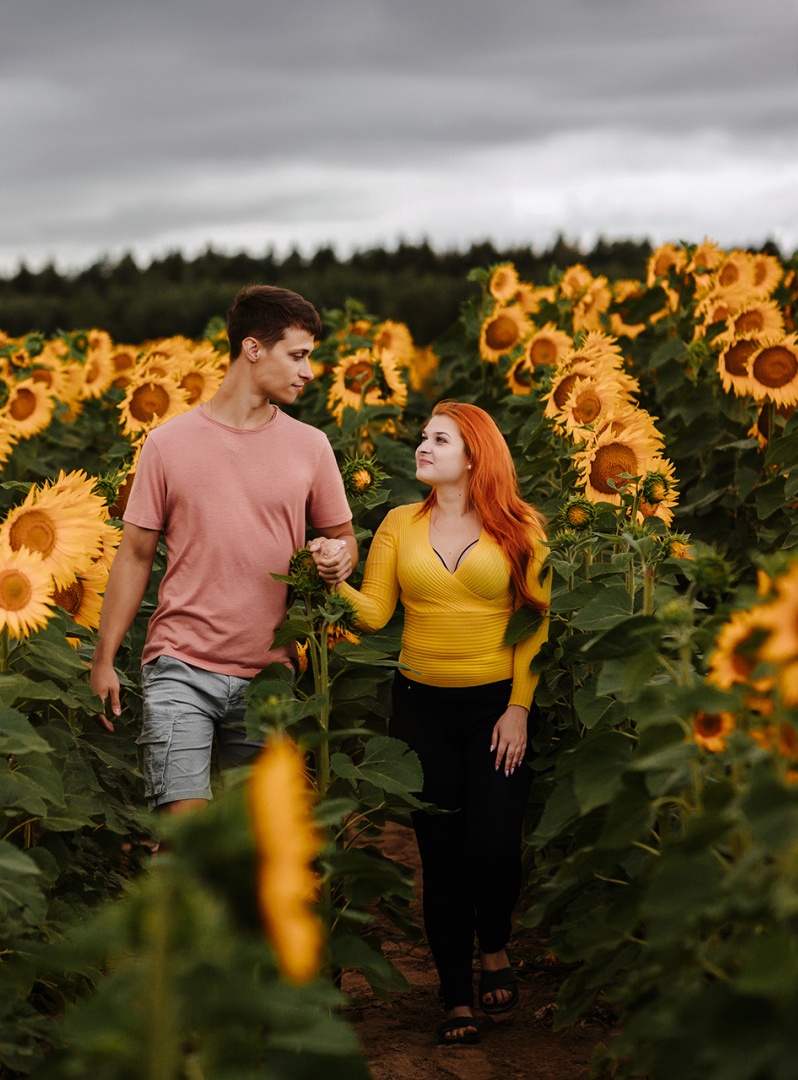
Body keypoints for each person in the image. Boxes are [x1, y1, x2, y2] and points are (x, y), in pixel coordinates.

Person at [321, 399, 549, 1045]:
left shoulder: (522, 526)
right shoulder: (399, 523)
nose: (423, 446)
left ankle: (496, 942)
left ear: (473, 454)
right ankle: (455, 994)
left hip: (495, 709)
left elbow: (536, 627)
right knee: (441, 855)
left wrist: (518, 709)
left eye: (439, 438)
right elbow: (372, 615)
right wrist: (331, 575)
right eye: (423, 437)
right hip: (421, 707)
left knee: (496, 846)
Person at [89, 284, 357, 814]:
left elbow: (343, 536)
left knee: (252, 851)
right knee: (184, 839)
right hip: (179, 667)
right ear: (253, 348)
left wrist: (340, 556)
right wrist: (103, 660)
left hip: (272, 675)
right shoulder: (168, 443)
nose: (309, 372)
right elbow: (135, 555)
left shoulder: (311, 446)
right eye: (298, 355)